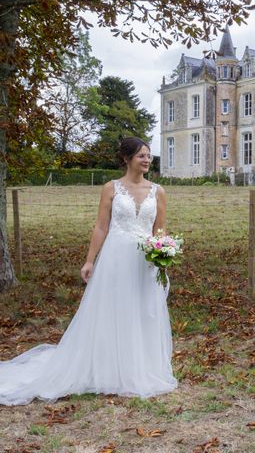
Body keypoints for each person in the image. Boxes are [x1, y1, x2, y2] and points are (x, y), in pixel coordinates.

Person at [0, 137, 177, 406]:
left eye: (149, 155)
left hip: (145, 262)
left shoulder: (158, 191)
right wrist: (89, 260)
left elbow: (159, 230)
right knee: (112, 309)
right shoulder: (111, 188)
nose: (147, 160)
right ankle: (107, 367)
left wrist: (163, 251)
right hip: (116, 257)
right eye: (141, 155)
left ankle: (139, 367)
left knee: (142, 310)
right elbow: (101, 227)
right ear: (127, 159)